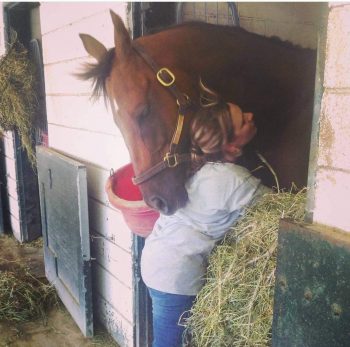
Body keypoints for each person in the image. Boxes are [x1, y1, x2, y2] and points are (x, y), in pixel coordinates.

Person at [140, 83, 270, 347]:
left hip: (157, 261)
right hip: (175, 274)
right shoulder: (232, 179)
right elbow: (276, 207)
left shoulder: (194, 167)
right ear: (231, 146)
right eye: (242, 120)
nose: (250, 117)